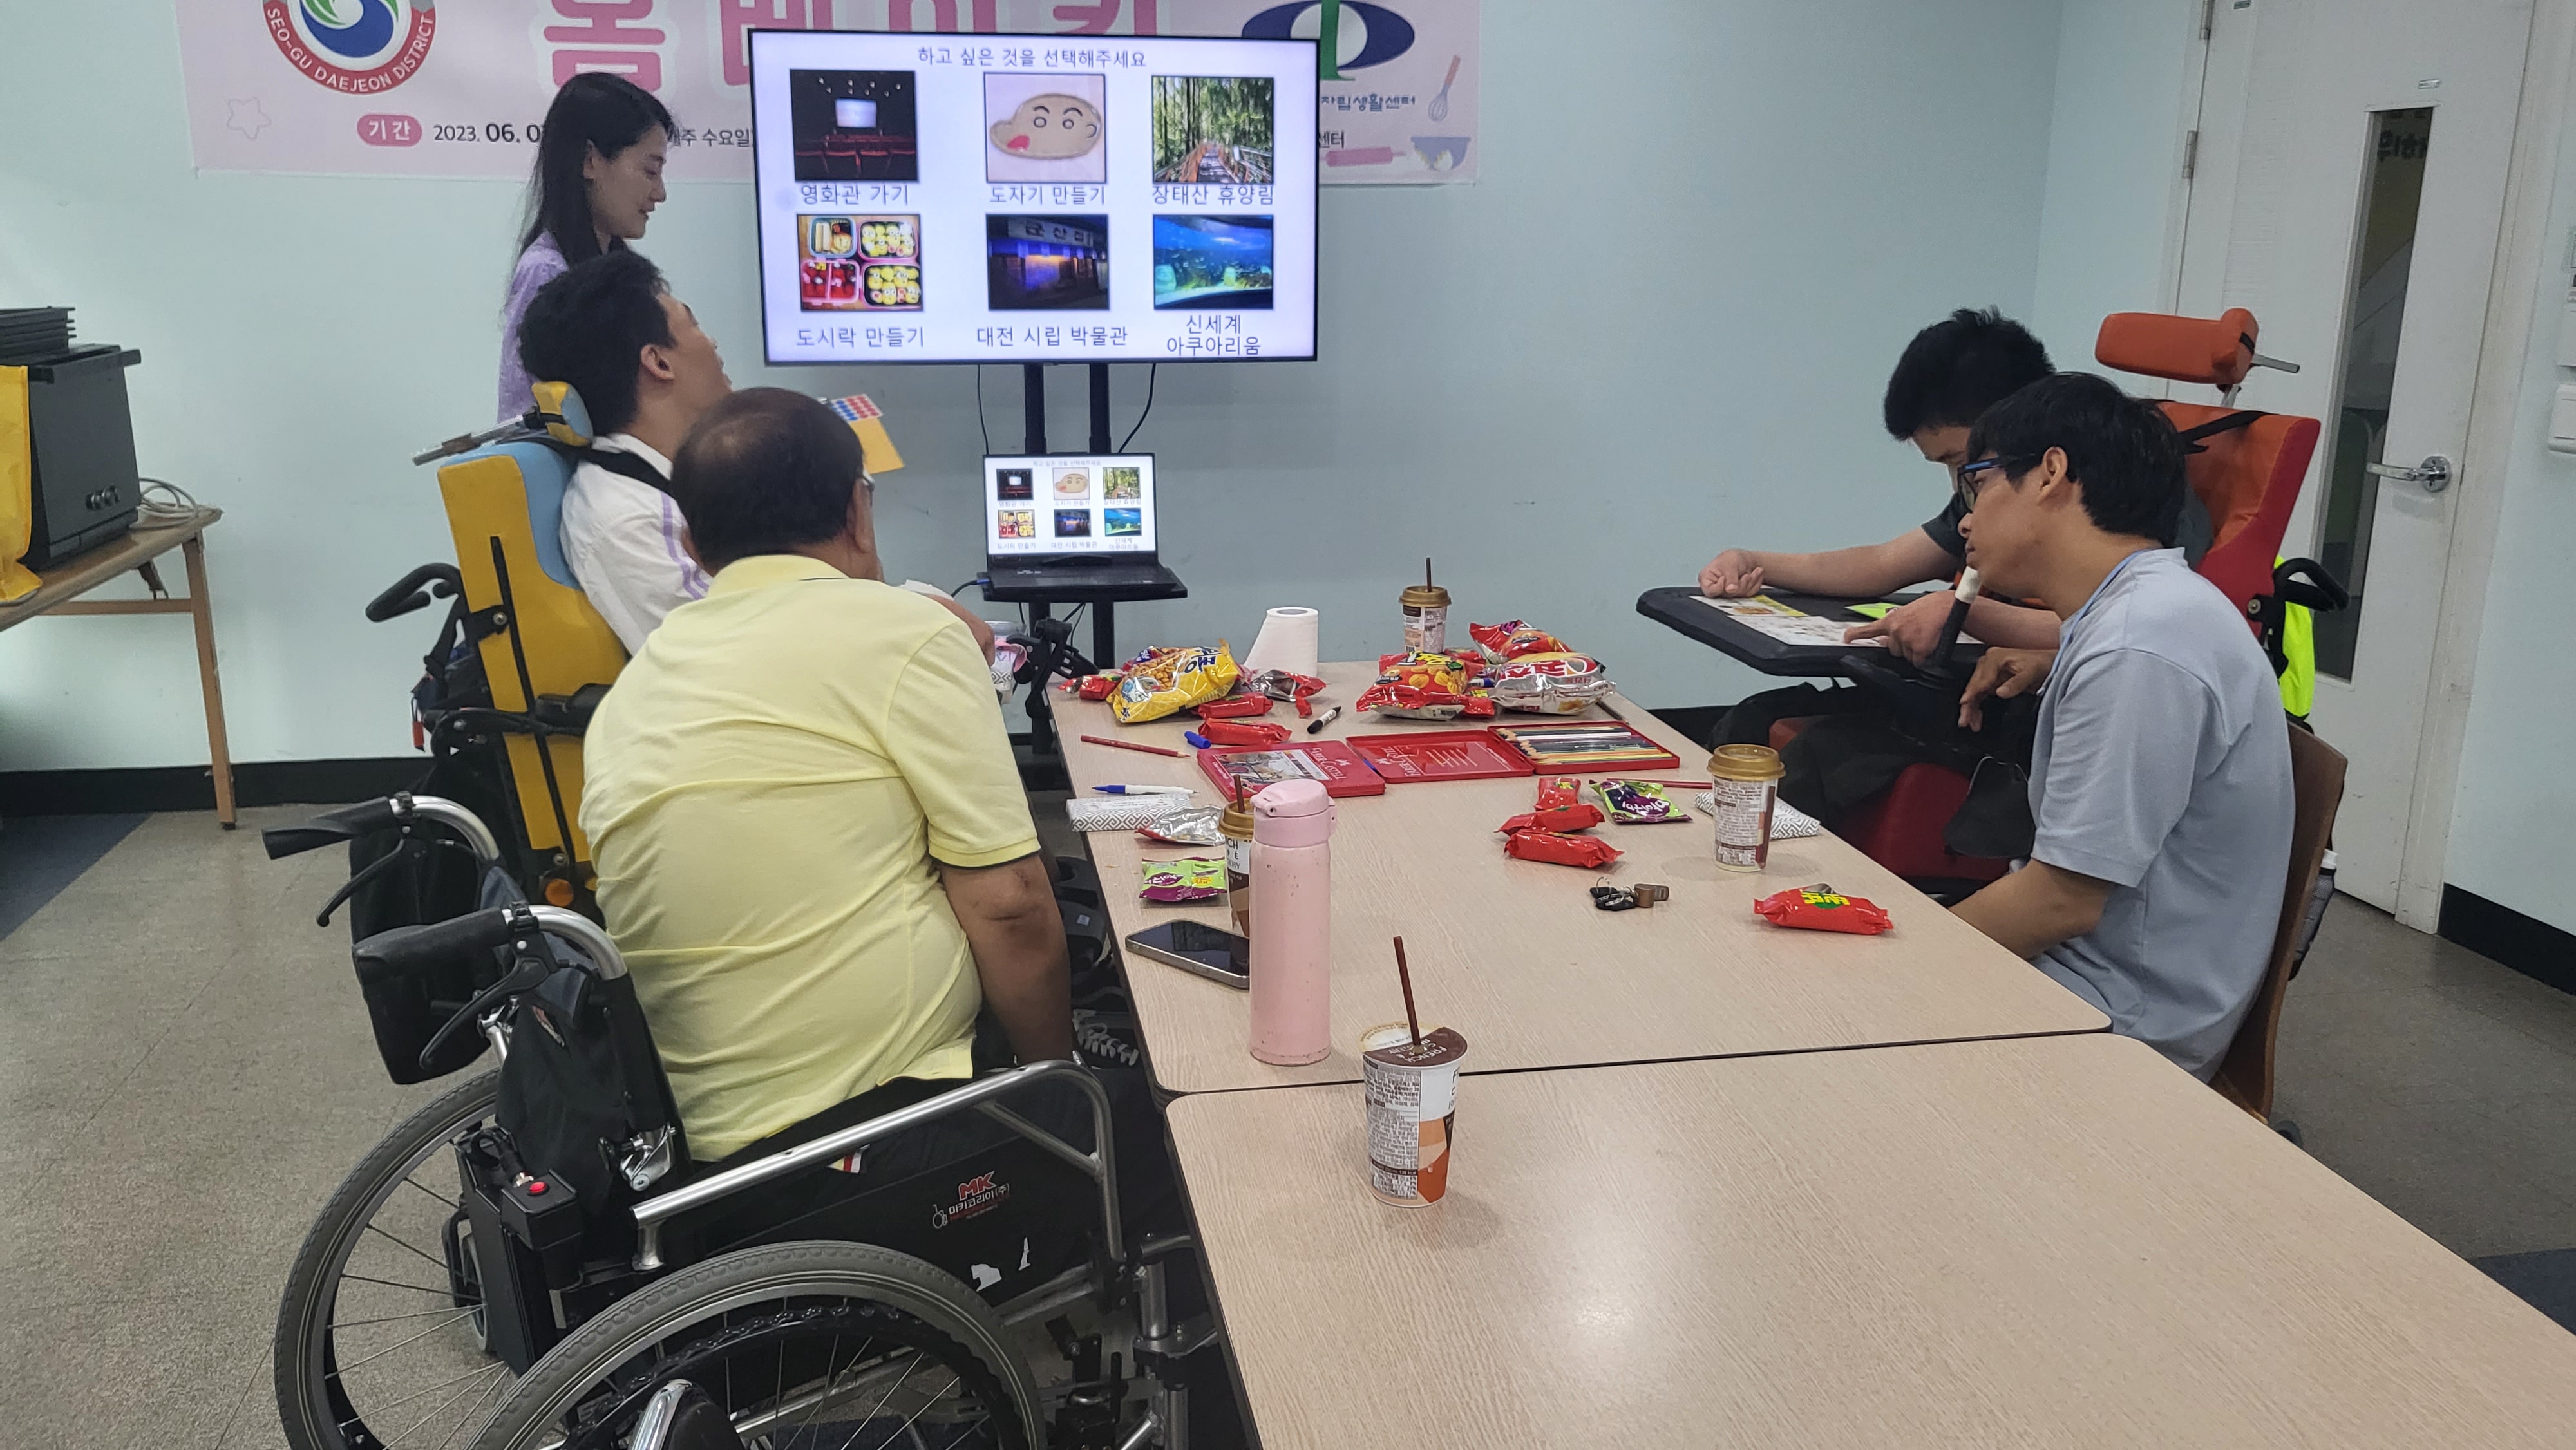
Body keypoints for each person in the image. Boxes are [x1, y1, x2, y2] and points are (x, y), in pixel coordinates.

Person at [580, 387, 1068, 1163]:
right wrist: (1059, 1086)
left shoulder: (633, 688)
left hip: (700, 1146)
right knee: (1173, 1135)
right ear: (857, 512)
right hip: (875, 1124)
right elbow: (1011, 905)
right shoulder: (907, 630)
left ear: (695, 545)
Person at [1946, 373, 2292, 1080]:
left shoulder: (2139, 646)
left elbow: (2060, 902)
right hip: (2099, 973)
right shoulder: (2144, 610)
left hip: (2119, 1022)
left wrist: (1912, 963)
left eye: (1977, 483)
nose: (1965, 520)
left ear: (2050, 473)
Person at [516, 250, 995, 659]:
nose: (712, 343)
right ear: (658, 362)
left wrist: (908, 609)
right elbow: (748, 656)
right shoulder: (626, 519)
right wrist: (915, 618)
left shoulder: (693, 481)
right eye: (694, 324)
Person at [1698, 308, 2078, 659]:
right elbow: (1882, 563)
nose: (1960, 487)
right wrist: (1754, 562)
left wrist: (1965, 612)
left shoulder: (2090, 507)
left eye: (1963, 462)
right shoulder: (1976, 500)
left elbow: (2100, 627)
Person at [497, 73, 674, 422]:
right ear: (590, 161)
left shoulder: (621, 274)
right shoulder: (546, 272)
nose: (660, 193)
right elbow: (531, 417)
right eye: (650, 171)